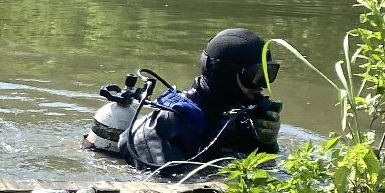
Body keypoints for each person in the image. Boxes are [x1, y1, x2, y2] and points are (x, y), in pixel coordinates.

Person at [119, 27, 282, 175]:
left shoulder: (234, 119)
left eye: (268, 75)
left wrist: (267, 143)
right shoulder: (168, 124)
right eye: (254, 76)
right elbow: (164, 190)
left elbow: (263, 169)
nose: (262, 86)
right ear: (225, 75)